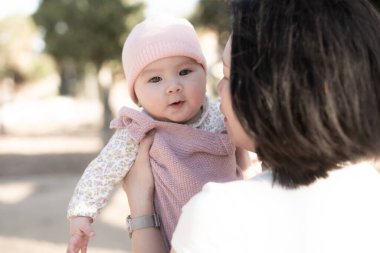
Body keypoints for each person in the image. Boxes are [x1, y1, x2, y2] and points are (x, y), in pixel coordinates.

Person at [123, 0, 380, 252]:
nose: (218, 90)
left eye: (227, 74)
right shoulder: (368, 189)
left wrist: (140, 205)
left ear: (279, 87)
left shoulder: (220, 214)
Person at [66, 16, 252, 253]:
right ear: (136, 94)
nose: (173, 86)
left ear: (205, 75)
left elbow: (250, 156)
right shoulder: (139, 130)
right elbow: (102, 170)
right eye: (155, 79)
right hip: (174, 234)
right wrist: (81, 214)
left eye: (185, 71)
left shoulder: (221, 114)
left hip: (233, 227)